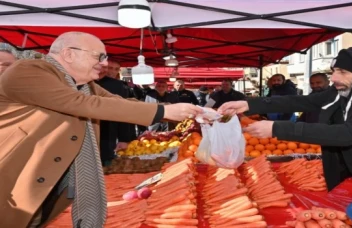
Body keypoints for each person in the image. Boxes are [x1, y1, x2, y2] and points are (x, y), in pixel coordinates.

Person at [0, 31, 202, 228]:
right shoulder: (28, 70)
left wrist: (183, 111)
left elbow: (117, 102)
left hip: (51, 178)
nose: (105, 63)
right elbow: (80, 103)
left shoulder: (83, 84)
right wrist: (161, 111)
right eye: (99, 56)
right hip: (15, 177)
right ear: (69, 54)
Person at [218, 46, 352, 194]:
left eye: (343, 72)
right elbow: (304, 101)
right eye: (334, 71)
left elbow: (348, 133)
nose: (334, 78)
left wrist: (277, 128)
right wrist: (250, 105)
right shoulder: (345, 90)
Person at [96, 59, 133, 167]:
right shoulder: (81, 81)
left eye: (115, 69)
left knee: (105, 163)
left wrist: (124, 138)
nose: (109, 71)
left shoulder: (118, 85)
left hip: (108, 131)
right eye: (109, 67)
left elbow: (124, 111)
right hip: (84, 132)